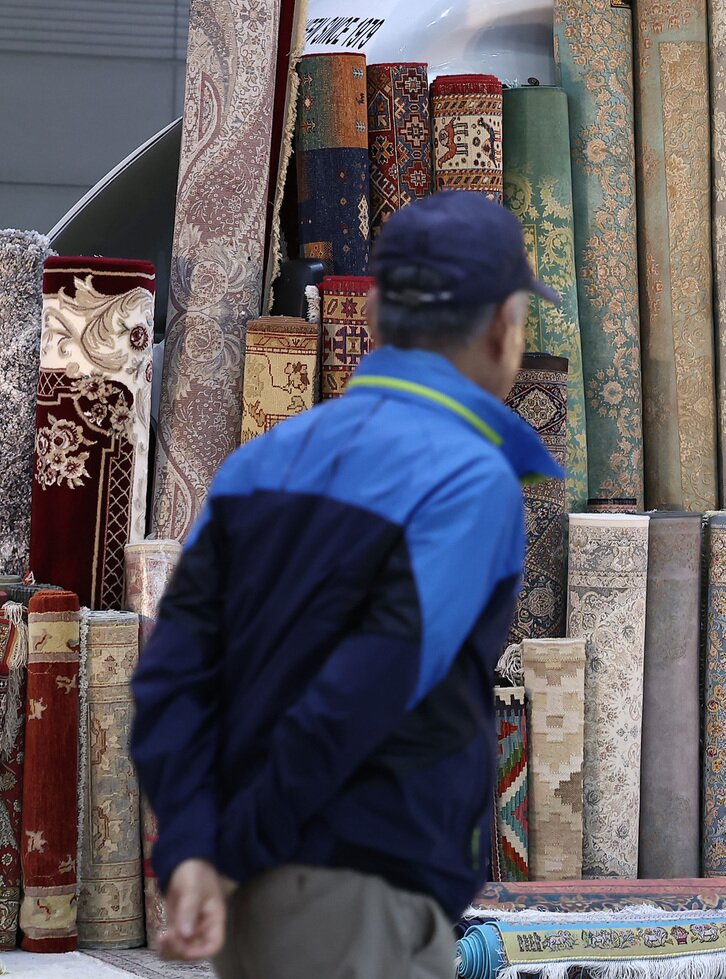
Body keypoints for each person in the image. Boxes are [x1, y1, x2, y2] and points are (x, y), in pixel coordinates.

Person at [130, 191, 562, 978]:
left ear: (372, 315)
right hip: (361, 898)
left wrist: (194, 848)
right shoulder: (469, 481)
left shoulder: (261, 463)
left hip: (261, 901)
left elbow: (171, 673)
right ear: (503, 326)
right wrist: (228, 854)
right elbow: (364, 692)